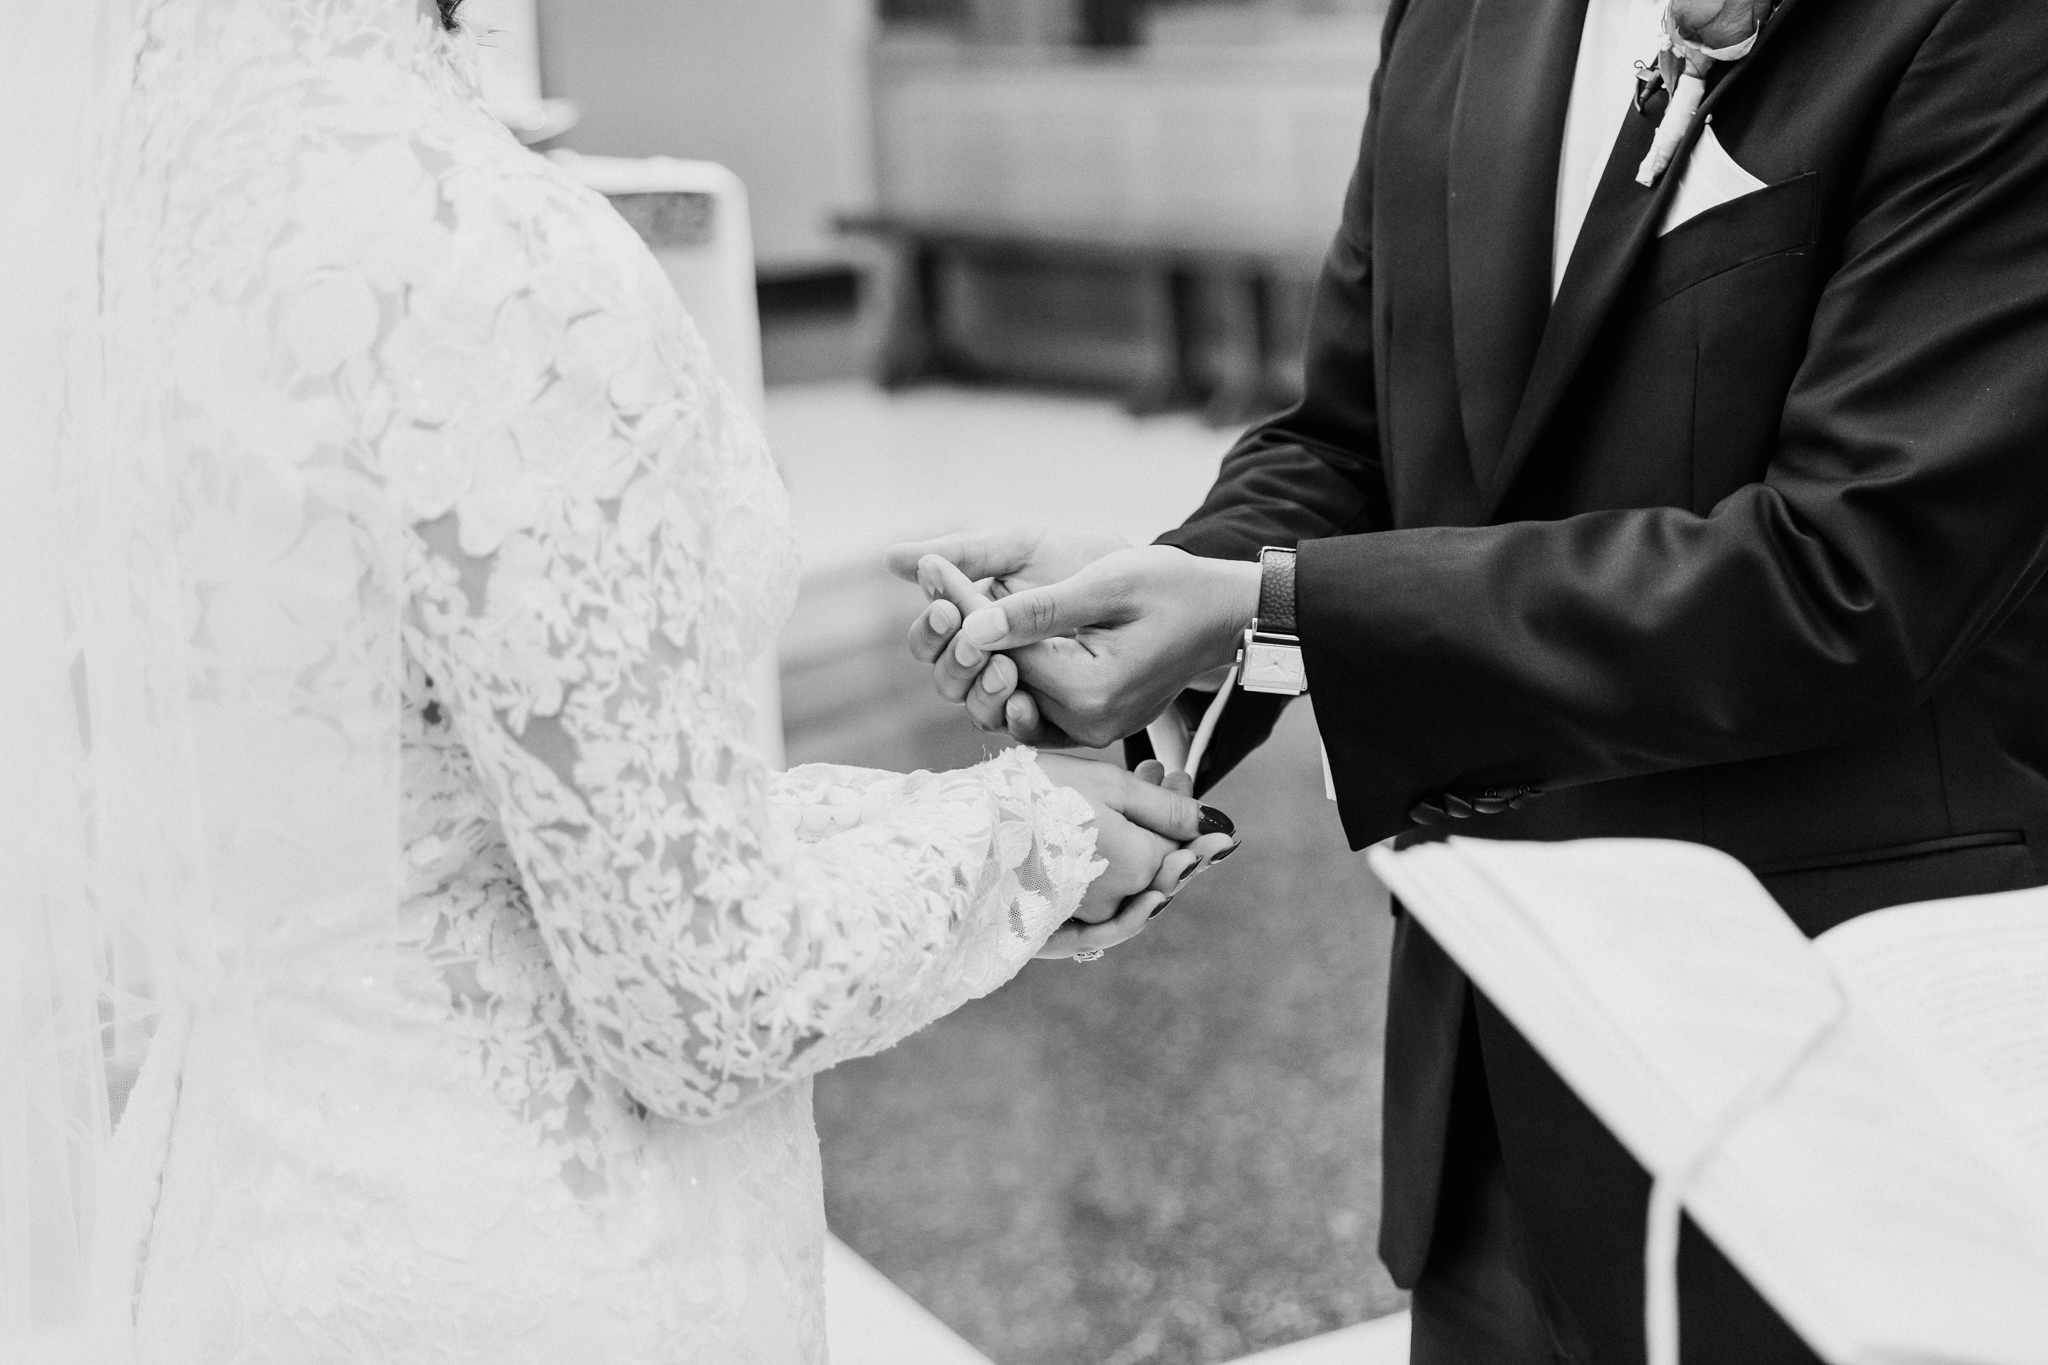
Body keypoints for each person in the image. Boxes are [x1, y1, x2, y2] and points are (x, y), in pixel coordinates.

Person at [0, 1, 1238, 1360]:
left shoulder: (136, 221)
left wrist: (898, 814)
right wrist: (1019, 838)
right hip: (518, 1252)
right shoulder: (490, 263)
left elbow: (455, 850)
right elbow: (704, 1005)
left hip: (232, 1218)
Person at [897, 0, 2048, 1360]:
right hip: (1483, 1080)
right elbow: (1350, 438)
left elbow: (1847, 576)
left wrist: (1277, 609)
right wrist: (1160, 613)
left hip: (1810, 1064)